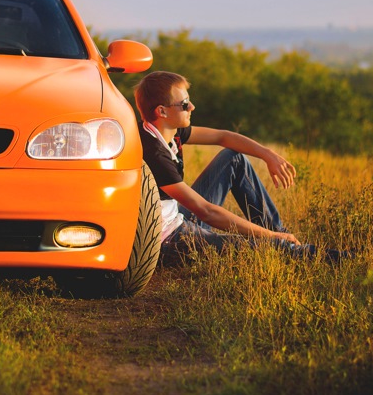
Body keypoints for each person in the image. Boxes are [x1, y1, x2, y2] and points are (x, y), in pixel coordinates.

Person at [134, 70, 351, 262]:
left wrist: (268, 155)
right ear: (162, 112)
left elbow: (223, 137)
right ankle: (333, 257)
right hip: (168, 241)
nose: (192, 107)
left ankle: (283, 237)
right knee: (267, 247)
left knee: (233, 158)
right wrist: (269, 238)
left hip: (178, 217)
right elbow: (206, 212)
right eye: (184, 104)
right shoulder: (153, 153)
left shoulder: (169, 130)